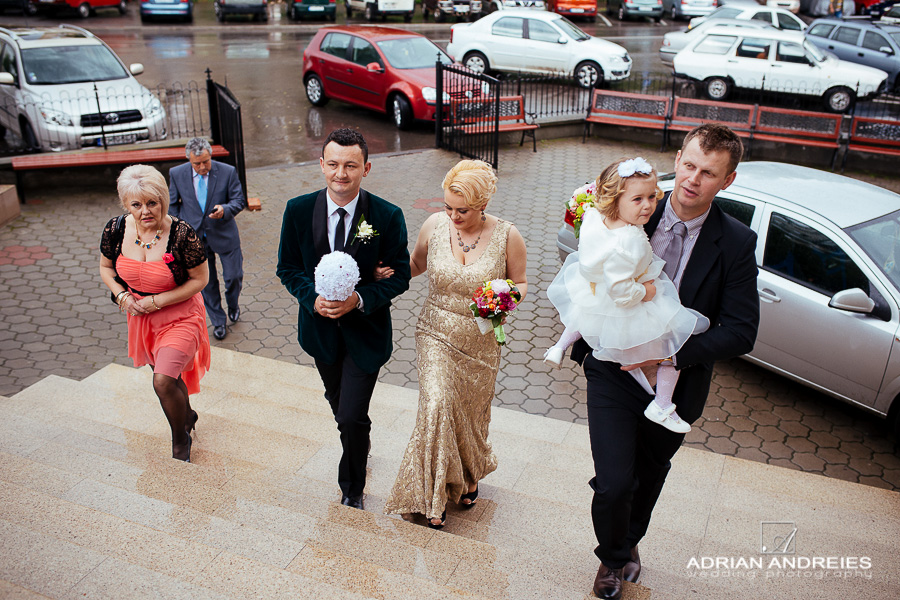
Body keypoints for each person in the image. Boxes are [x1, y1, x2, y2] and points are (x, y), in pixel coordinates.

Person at [571, 125, 759, 600]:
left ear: (728, 181)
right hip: (613, 371)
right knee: (614, 483)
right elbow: (585, 273)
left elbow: (742, 330)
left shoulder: (736, 242)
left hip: (676, 383)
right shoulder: (633, 204)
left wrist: (671, 355)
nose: (694, 179)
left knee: (647, 476)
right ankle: (612, 558)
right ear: (677, 159)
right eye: (690, 165)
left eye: (709, 173)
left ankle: (630, 539)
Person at [384, 159, 528, 529]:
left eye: (461, 210)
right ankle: (431, 497)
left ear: (482, 205)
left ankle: (468, 475)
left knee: (469, 417)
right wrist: (384, 269)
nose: (452, 215)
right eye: (448, 207)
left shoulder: (508, 235)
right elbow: (414, 264)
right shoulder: (434, 225)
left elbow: (521, 283)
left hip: (480, 343)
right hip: (434, 332)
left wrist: (503, 298)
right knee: (437, 404)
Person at [276, 128, 411, 512]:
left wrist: (361, 298)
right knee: (341, 409)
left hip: (365, 335)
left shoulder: (386, 215)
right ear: (321, 165)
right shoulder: (298, 210)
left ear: (365, 168)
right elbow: (287, 268)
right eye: (333, 164)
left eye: (350, 165)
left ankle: (352, 486)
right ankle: (359, 445)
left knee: (351, 415)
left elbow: (400, 274)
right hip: (320, 334)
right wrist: (311, 299)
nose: (341, 173)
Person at [544, 157, 710, 435]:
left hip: (594, 284)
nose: (648, 205)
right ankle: (662, 404)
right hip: (628, 295)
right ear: (615, 199)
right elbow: (622, 293)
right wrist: (648, 291)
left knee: (584, 311)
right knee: (673, 343)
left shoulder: (596, 217)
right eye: (638, 200)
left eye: (651, 196)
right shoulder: (630, 241)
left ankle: (559, 346)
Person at [99, 165, 211, 463]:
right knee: (170, 379)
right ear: (126, 205)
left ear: (163, 199)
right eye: (136, 204)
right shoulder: (116, 229)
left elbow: (200, 280)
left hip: (181, 317)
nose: (145, 211)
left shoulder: (182, 234)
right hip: (141, 320)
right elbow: (106, 268)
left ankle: (180, 439)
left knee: (162, 381)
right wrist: (122, 295)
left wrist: (156, 302)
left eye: (152, 202)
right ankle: (187, 415)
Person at [169, 137, 246, 341]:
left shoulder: (227, 172)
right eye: (197, 163)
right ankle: (219, 321)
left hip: (224, 234)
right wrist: (181, 225)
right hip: (194, 238)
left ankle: (233, 304)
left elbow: (239, 200)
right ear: (189, 160)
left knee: (234, 276)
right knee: (207, 282)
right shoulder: (176, 174)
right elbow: (172, 204)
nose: (203, 167)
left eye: (206, 161)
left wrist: (225, 209)